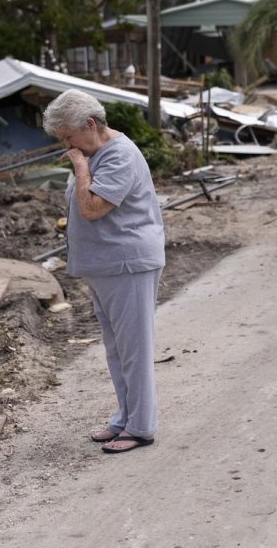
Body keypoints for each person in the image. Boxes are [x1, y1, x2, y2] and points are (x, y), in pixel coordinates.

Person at [42, 89, 165, 454]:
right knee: (117, 348)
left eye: (68, 136)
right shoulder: (95, 152)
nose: (66, 145)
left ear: (90, 125)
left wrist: (80, 168)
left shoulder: (119, 155)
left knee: (134, 348)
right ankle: (125, 417)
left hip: (127, 264)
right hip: (105, 266)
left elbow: (93, 207)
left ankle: (141, 426)